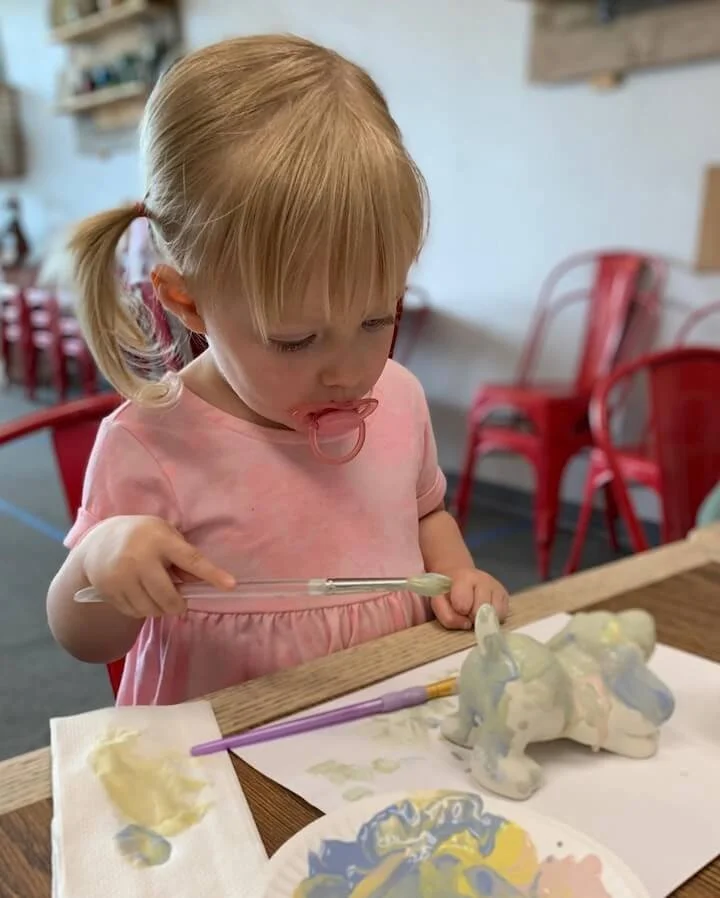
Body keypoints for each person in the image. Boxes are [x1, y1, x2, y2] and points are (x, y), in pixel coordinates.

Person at [47, 34, 509, 705]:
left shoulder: (401, 398)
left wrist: (458, 575)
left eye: (376, 319)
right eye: (296, 340)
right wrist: (101, 563)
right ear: (188, 301)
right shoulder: (150, 443)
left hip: (381, 716)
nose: (347, 372)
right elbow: (82, 639)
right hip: (220, 741)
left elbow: (426, 515)